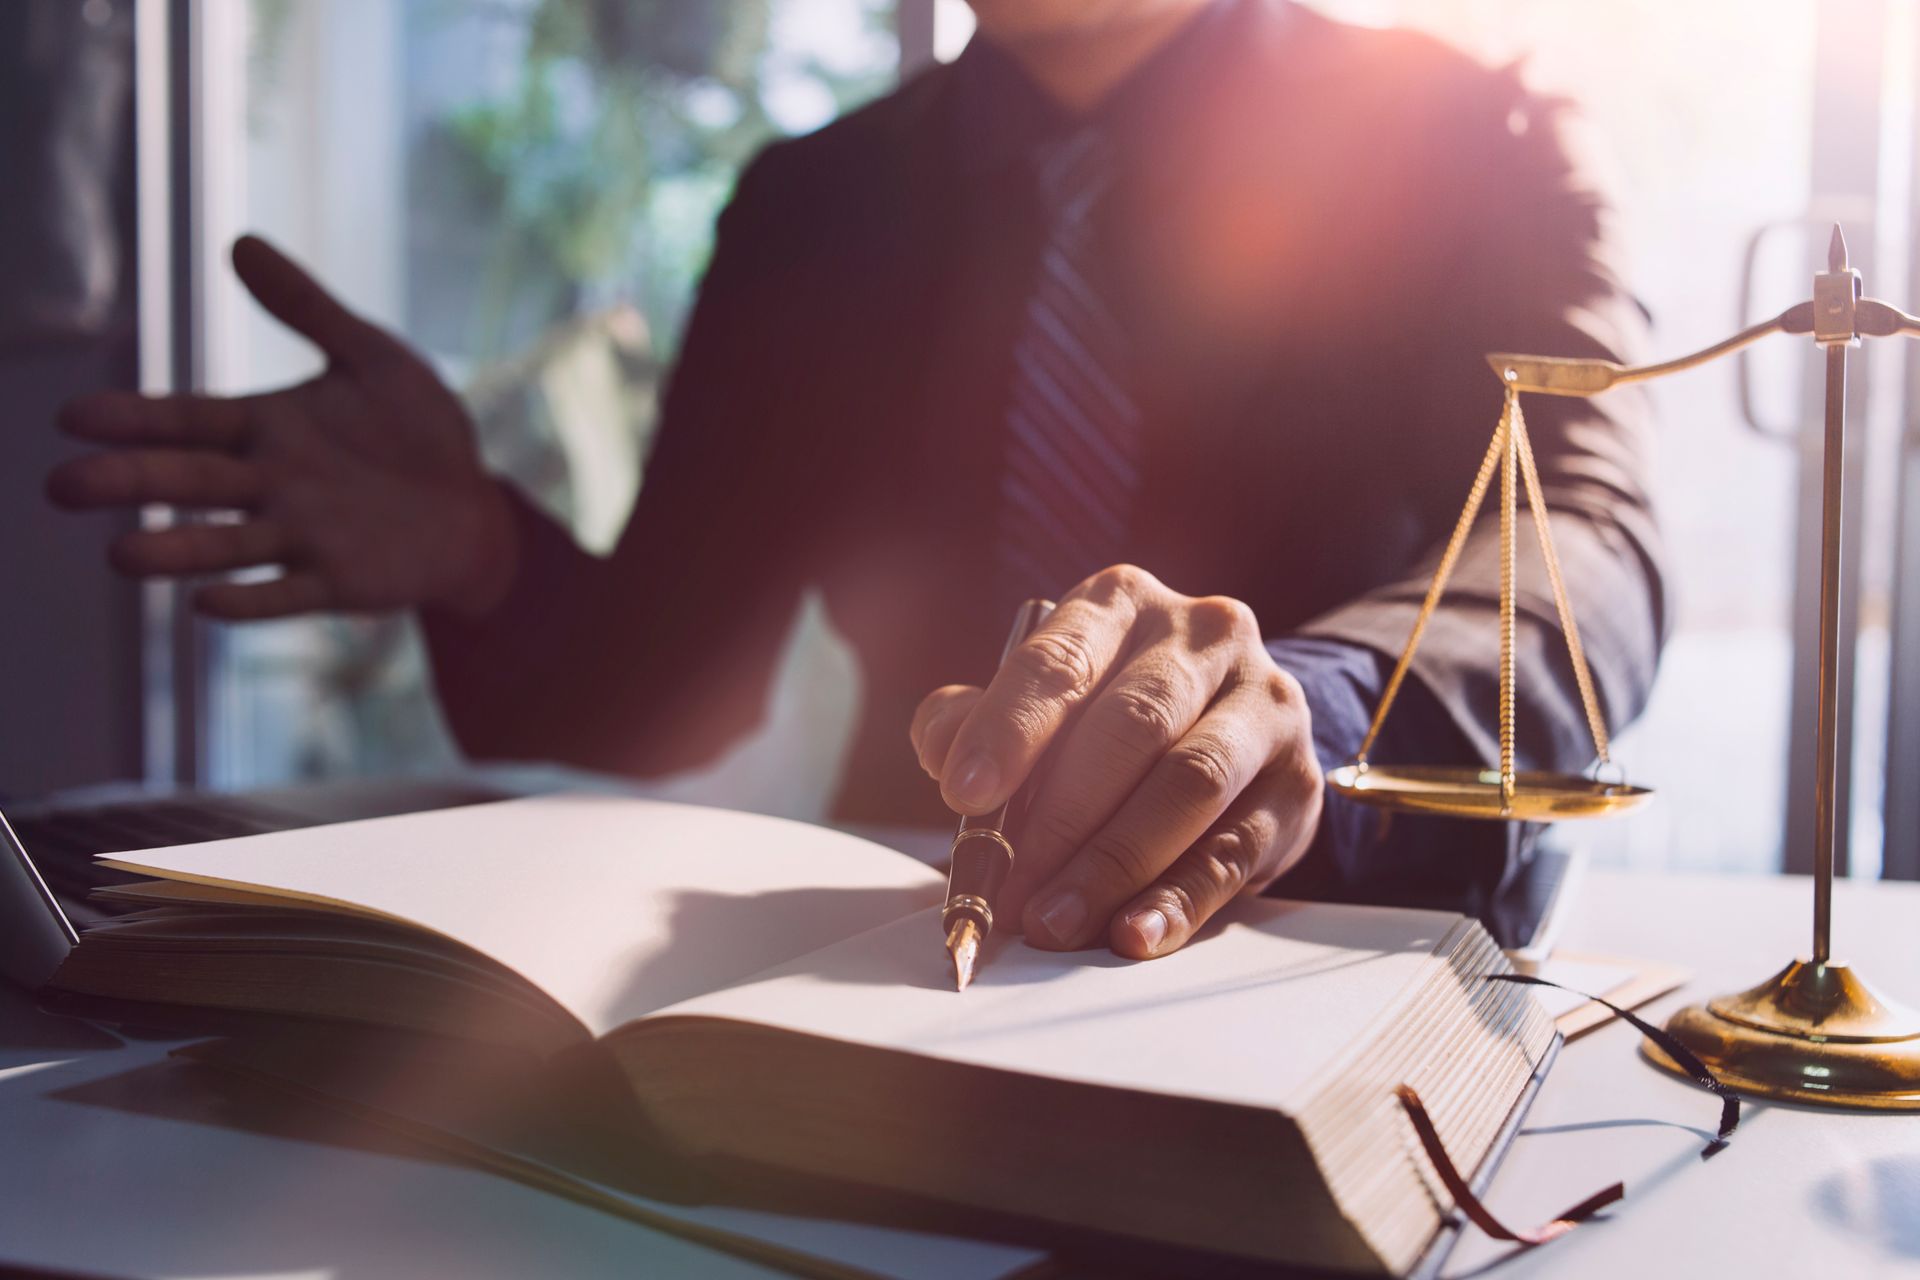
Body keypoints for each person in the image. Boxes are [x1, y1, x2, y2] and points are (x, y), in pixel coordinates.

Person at [46, 0, 1664, 961]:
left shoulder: (1472, 146)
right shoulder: (816, 206)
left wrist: (1294, 711)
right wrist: (483, 551)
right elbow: (662, 696)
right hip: (897, 983)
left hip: (1330, 959)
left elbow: (1589, 558)